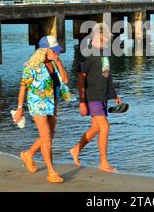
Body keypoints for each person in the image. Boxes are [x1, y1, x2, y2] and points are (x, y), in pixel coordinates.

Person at [13, 36, 69, 183]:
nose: (57, 53)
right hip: (37, 103)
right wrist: (20, 109)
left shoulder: (55, 63)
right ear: (44, 50)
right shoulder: (31, 67)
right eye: (54, 51)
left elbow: (65, 80)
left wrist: (58, 61)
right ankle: (51, 172)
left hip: (52, 102)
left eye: (57, 51)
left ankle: (29, 154)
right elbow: (23, 88)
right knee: (46, 138)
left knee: (49, 135)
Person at [69, 23, 122, 173]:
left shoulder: (104, 52)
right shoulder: (87, 53)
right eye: (106, 37)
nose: (109, 40)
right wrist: (82, 102)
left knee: (96, 128)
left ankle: (76, 149)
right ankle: (104, 162)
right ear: (99, 35)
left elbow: (107, 76)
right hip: (93, 96)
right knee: (105, 127)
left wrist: (114, 94)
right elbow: (80, 79)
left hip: (103, 95)